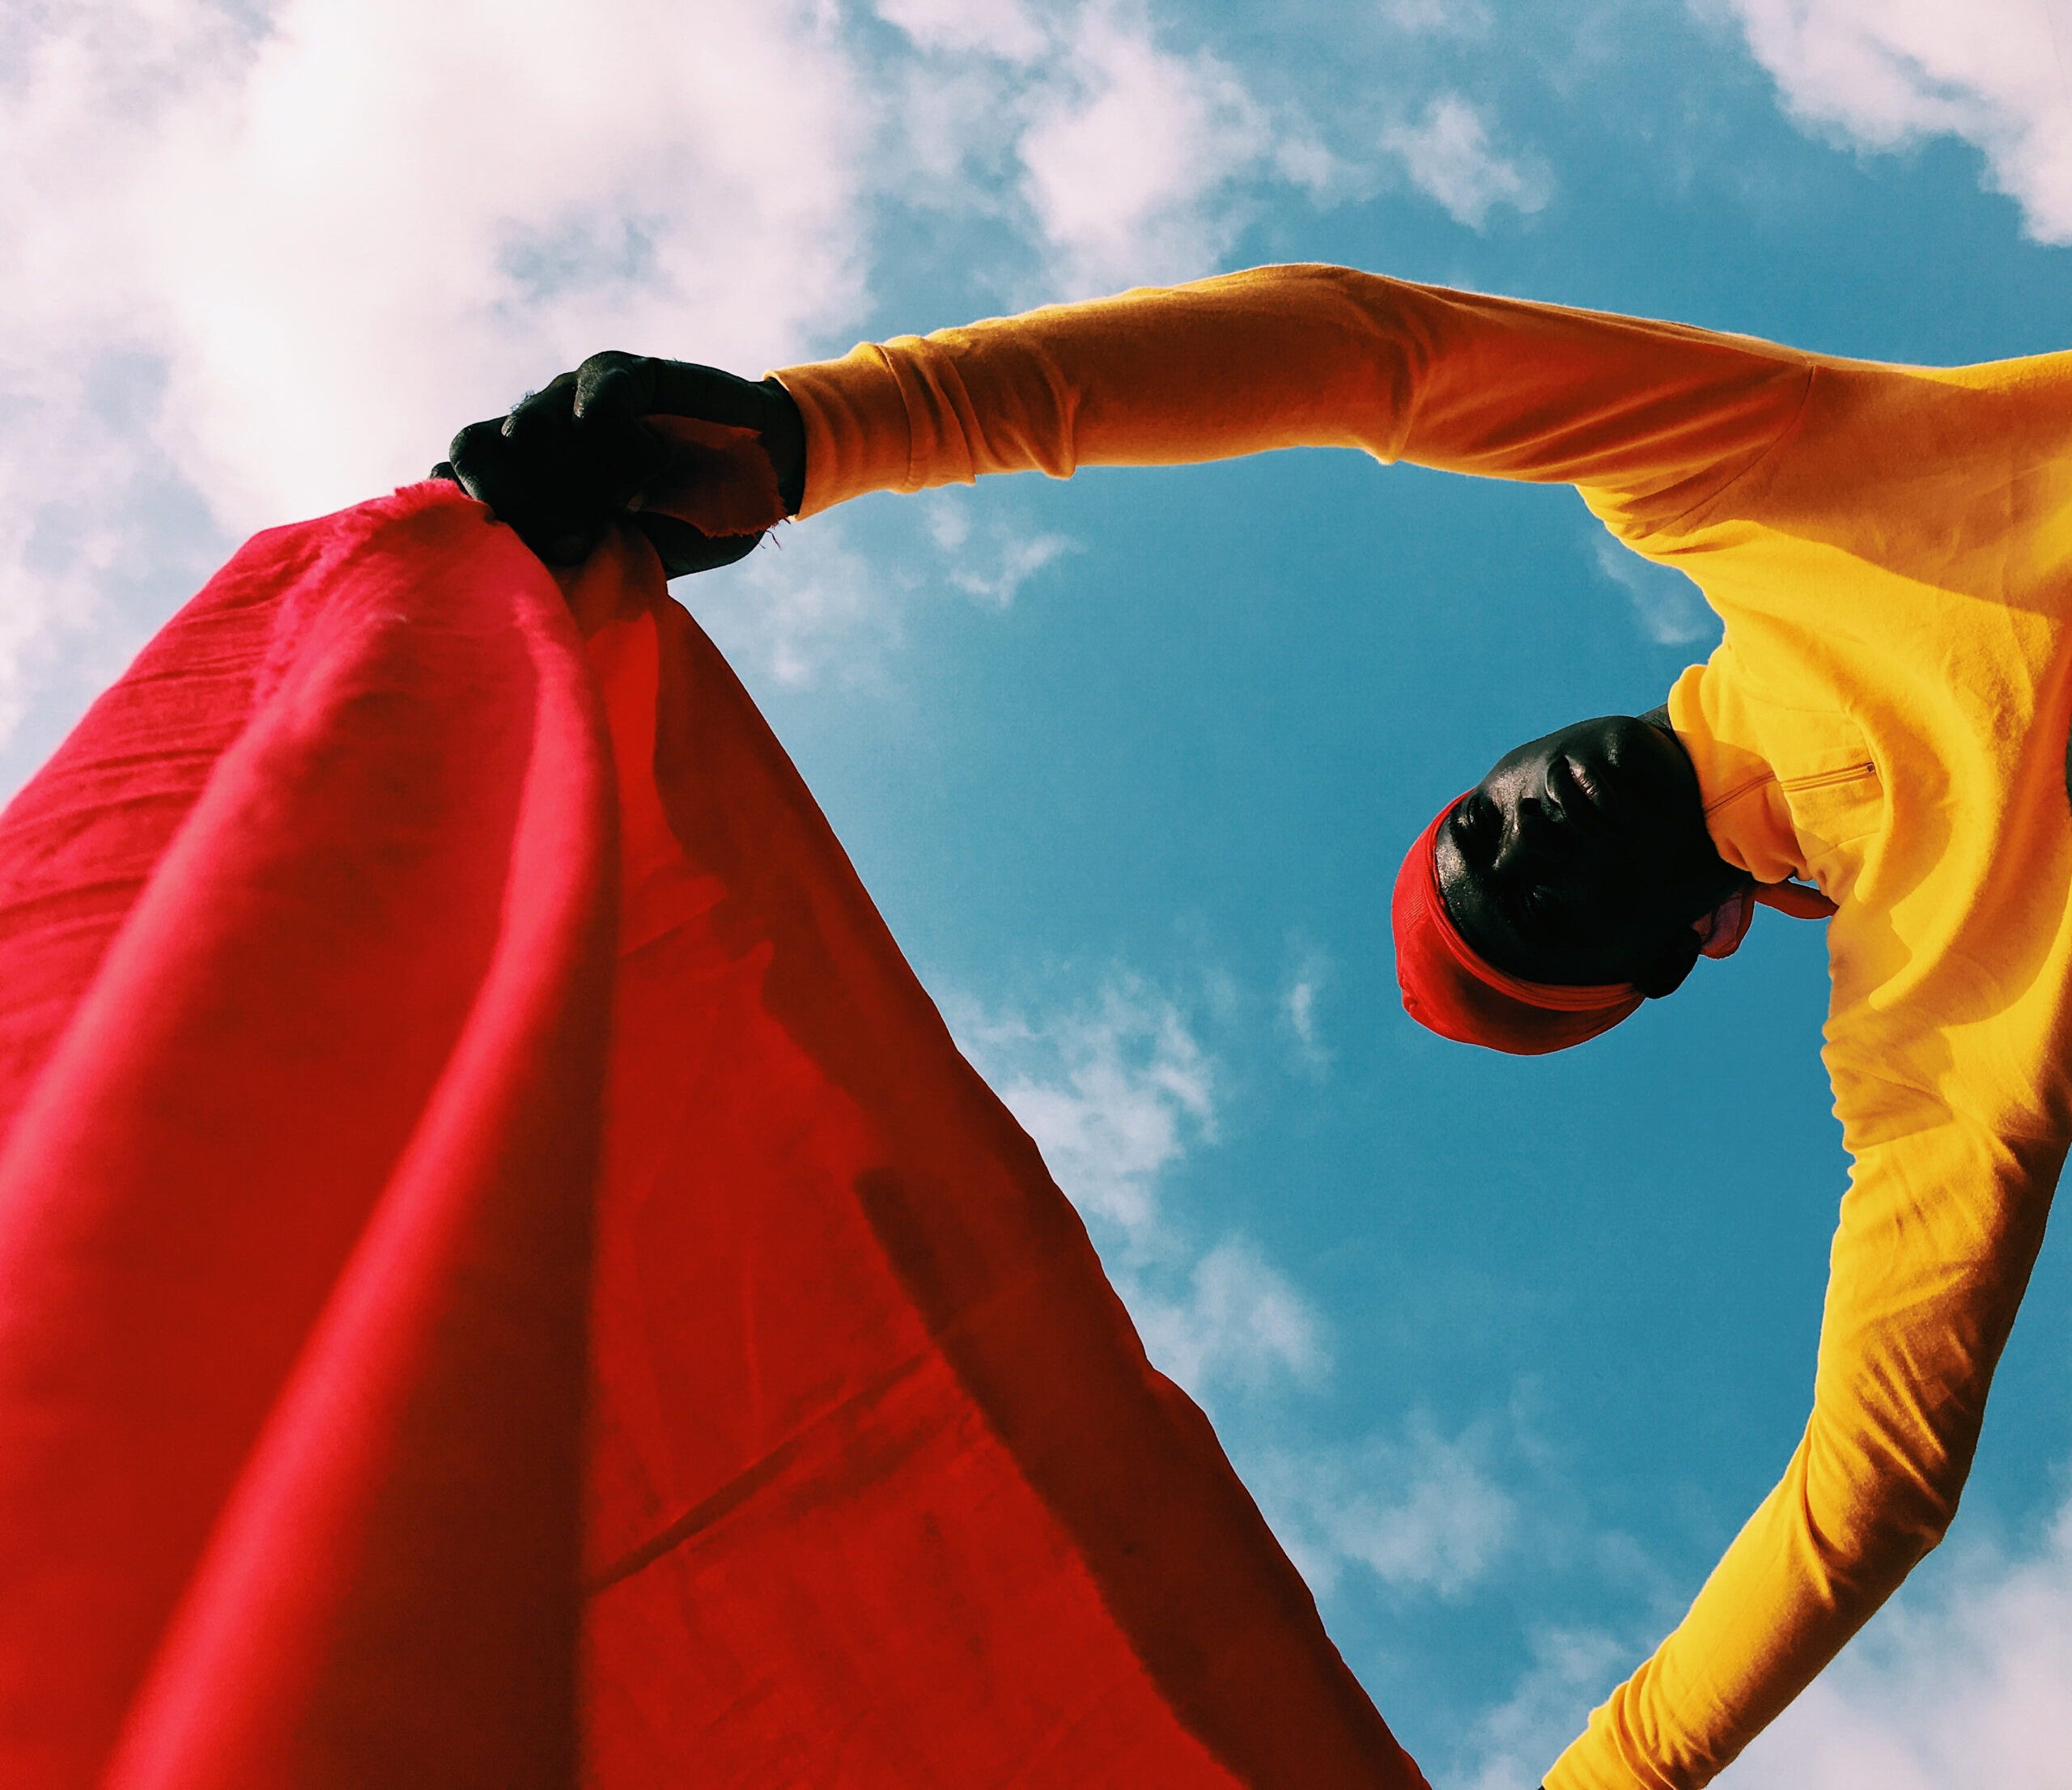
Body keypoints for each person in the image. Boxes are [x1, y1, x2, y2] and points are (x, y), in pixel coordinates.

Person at [440, 263, 2072, 1790]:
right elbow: (1862, 1496)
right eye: (1522, 913)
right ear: (1680, 948)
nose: (1509, 841)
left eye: (1467, 834)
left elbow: (1365, 354)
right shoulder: (1949, 1036)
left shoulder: (1747, 488)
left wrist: (825, 431)